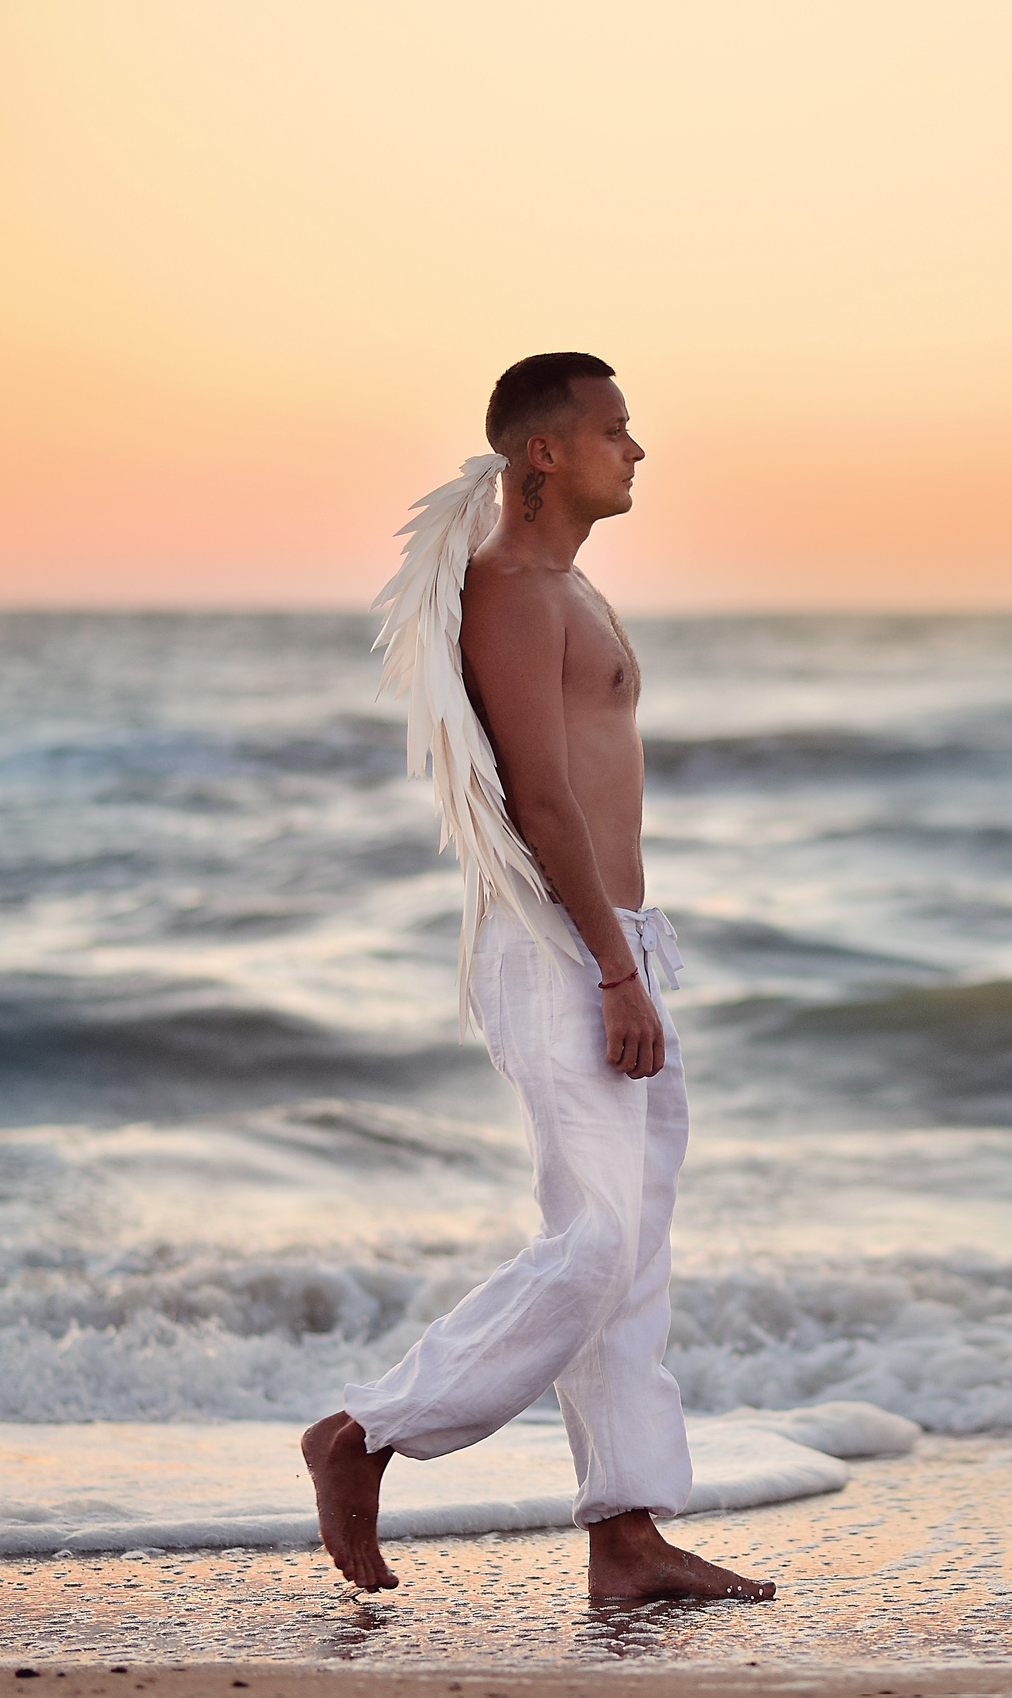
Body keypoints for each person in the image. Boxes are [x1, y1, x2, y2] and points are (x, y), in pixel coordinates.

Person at [301, 353, 772, 1601]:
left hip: (619, 937)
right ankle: (365, 1433)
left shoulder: (571, 587)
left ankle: (626, 1541)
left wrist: (634, 956)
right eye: (617, 431)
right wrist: (613, 973)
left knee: (635, 1254)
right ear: (543, 456)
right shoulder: (510, 591)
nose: (638, 450)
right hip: (561, 945)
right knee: (596, 1240)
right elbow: (541, 798)